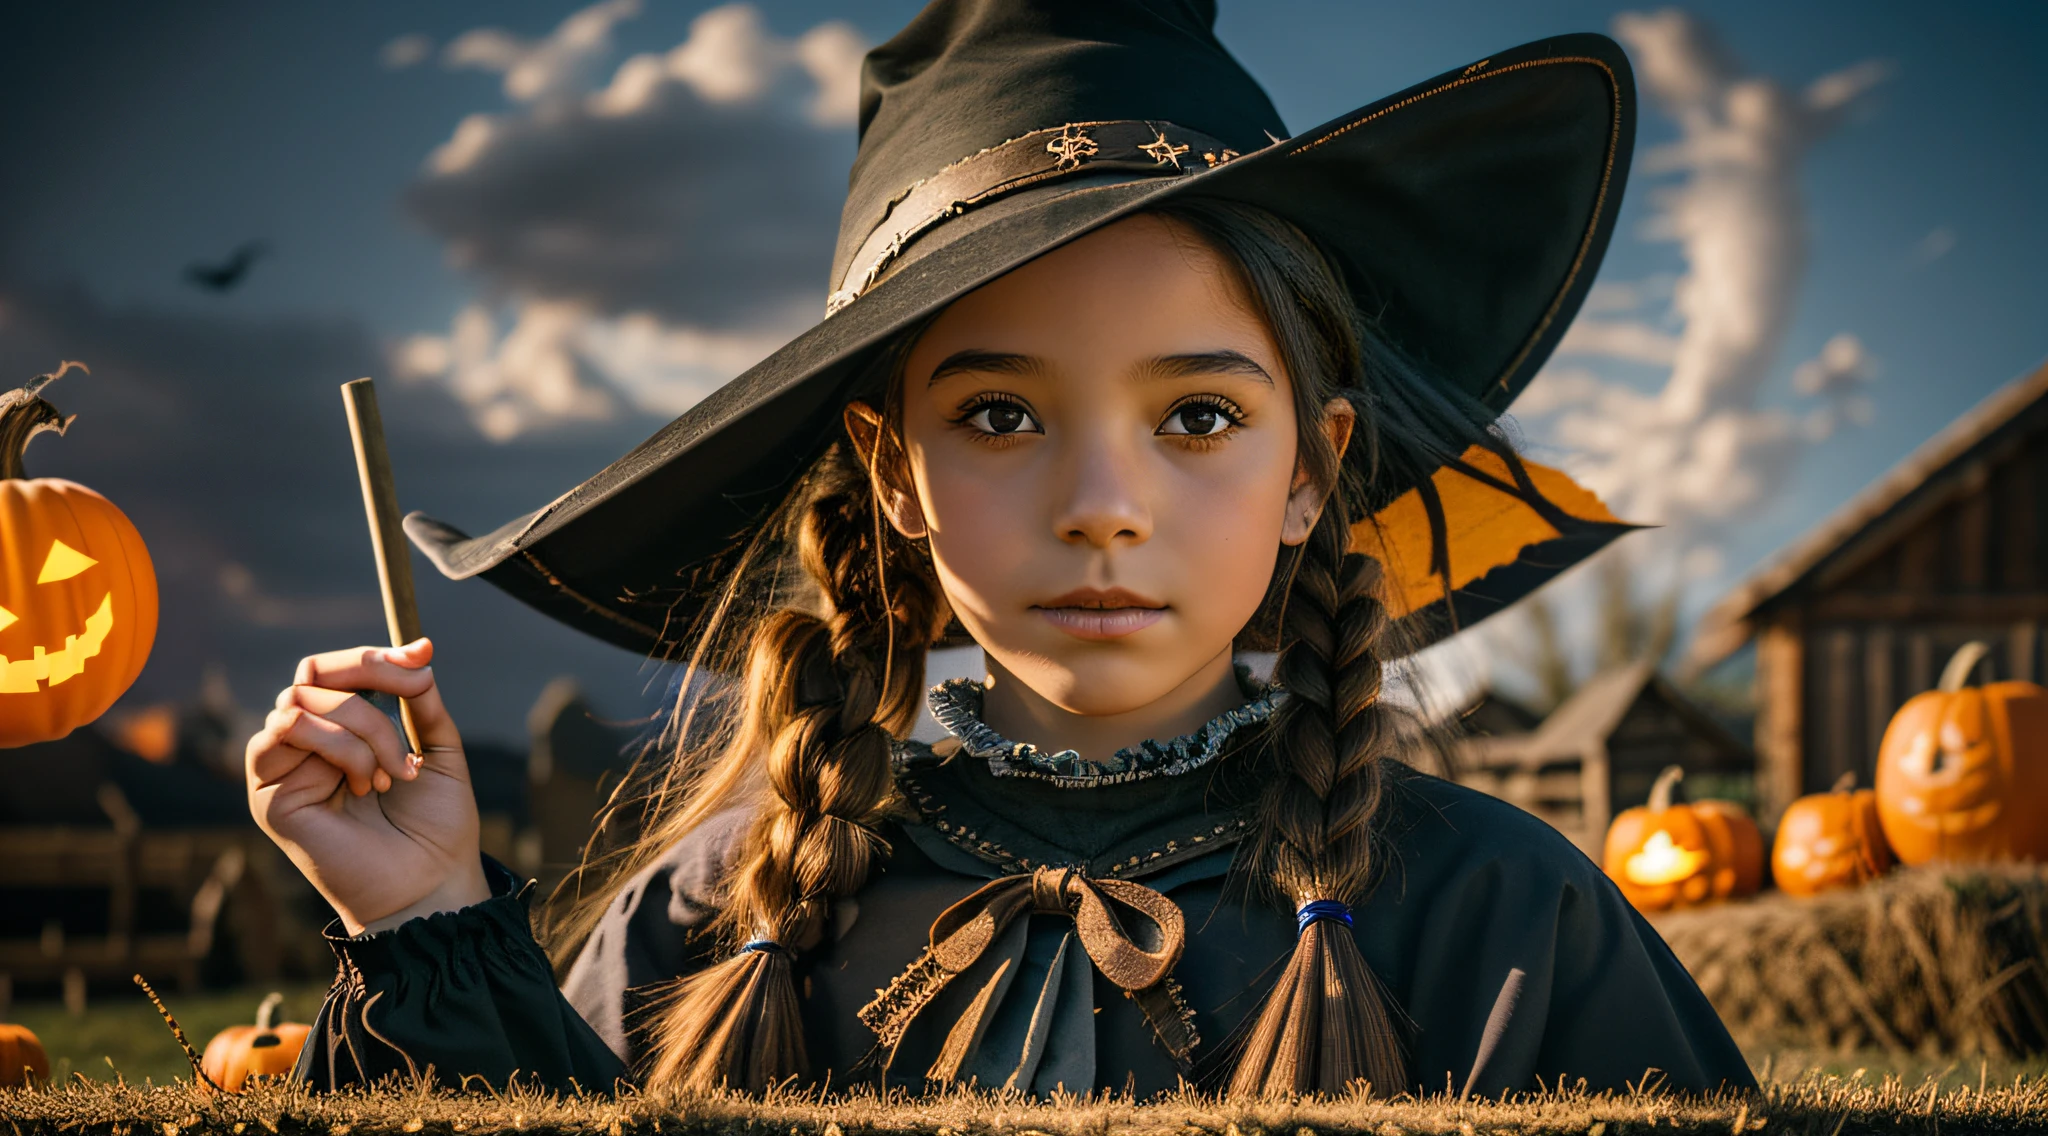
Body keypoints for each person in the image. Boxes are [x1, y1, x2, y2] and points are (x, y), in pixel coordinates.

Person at [245, 0, 1753, 1100]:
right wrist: (426, 925)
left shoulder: (1502, 919)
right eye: (1004, 413)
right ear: (893, 474)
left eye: (1202, 417)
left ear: (1316, 469)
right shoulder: (714, 915)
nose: (1104, 499)